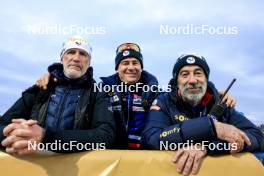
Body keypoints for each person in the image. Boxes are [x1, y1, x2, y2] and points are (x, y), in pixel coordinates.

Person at [35, 44, 236, 150]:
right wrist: (54, 79)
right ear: (117, 68)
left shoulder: (157, 93)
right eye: (125, 63)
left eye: (135, 62)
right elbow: (76, 86)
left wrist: (212, 93)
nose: (130, 66)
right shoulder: (100, 89)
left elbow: (181, 97)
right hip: (109, 157)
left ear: (141, 66)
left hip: (147, 156)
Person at [142, 54, 264, 175]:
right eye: (185, 74)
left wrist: (208, 146)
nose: (193, 80)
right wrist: (211, 127)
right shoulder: (164, 101)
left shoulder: (221, 104)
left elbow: (258, 137)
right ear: (177, 81)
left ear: (206, 78)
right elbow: (151, 138)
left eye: (198, 73)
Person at [0, 36, 115, 155]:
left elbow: (106, 136)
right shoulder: (40, 89)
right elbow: (2, 125)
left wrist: (46, 137)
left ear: (89, 62)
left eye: (83, 54)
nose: (76, 58)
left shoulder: (98, 93)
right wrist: (17, 137)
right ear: (61, 59)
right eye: (70, 52)